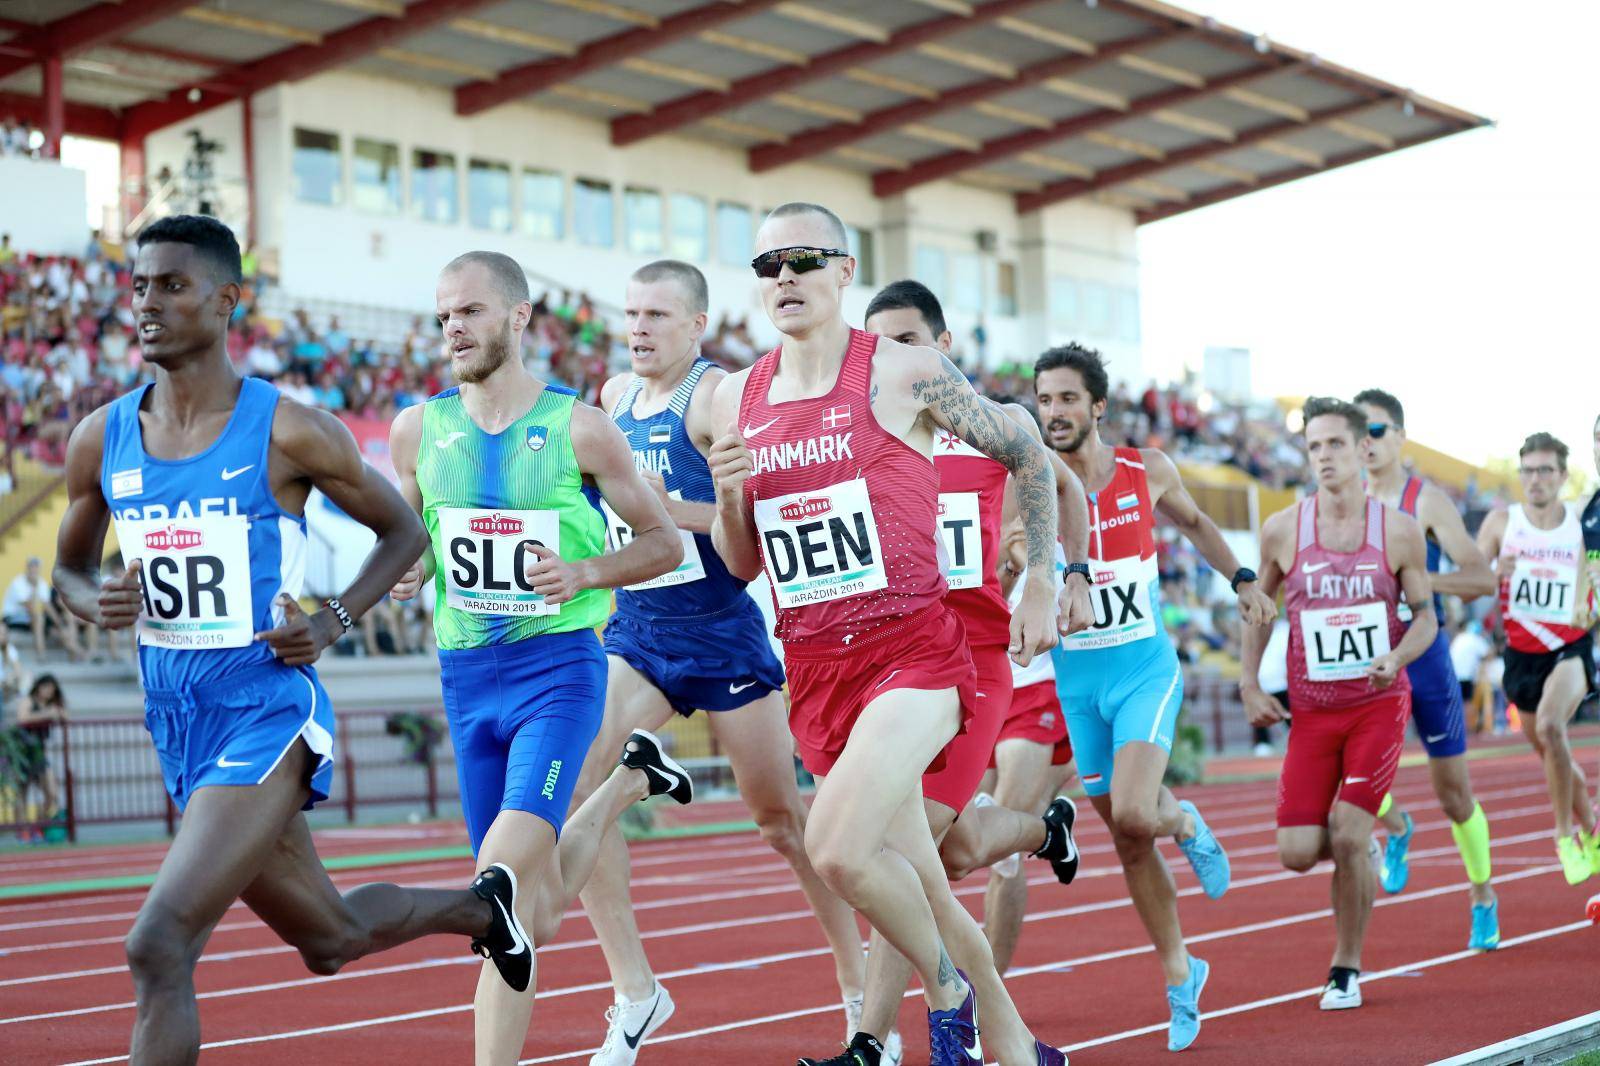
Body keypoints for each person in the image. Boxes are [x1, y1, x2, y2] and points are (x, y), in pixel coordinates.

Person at [51, 215, 537, 1065]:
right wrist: (102, 603)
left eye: (171, 285)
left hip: (264, 710)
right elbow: (69, 573)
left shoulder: (289, 429)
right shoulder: (102, 437)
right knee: (331, 937)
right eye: (137, 286)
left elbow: (403, 535)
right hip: (175, 715)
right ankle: (479, 911)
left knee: (158, 943)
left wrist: (331, 621)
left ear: (227, 300)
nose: (146, 305)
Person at [709, 202, 1069, 1065]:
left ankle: (946, 991)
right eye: (767, 266)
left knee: (833, 845)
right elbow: (742, 563)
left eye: (802, 260)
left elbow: (1025, 452)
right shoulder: (736, 396)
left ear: (843, 270)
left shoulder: (905, 373)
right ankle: (1017, 1048)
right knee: (929, 885)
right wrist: (729, 494)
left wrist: (1048, 576)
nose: (784, 278)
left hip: (915, 656)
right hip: (818, 670)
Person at [387, 250, 692, 1064]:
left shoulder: (579, 428)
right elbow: (409, 543)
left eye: (472, 311)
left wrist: (585, 572)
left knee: (502, 886)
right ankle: (627, 780)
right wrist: (407, 570)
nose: (454, 327)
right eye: (444, 313)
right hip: (464, 680)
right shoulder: (418, 430)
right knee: (535, 912)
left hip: (556, 673)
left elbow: (663, 541)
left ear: (519, 318)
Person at [579, 259, 866, 1065]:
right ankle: (635, 992)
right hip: (638, 630)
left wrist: (671, 513)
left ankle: (855, 977)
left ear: (696, 325)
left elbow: (764, 520)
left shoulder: (716, 398)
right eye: (631, 314)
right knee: (579, 785)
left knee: (782, 820)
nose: (638, 329)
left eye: (657, 317)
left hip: (721, 631)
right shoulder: (608, 399)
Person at [1034, 343, 1271, 1048]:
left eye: (1068, 399)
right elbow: (1011, 549)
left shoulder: (1147, 470)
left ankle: (1187, 821)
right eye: (1044, 401)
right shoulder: (1033, 483)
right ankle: (1181, 974)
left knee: (1141, 811)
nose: (1054, 413)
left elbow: (1197, 526)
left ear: (1098, 405)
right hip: (1077, 681)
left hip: (1143, 669)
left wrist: (1243, 578)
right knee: (1129, 841)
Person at [1241, 396, 1438, 1011]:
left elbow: (1428, 616)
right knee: (1297, 853)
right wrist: (1250, 682)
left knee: (1347, 833)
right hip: (1311, 712)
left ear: (1362, 449)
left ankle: (1345, 969)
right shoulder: (1283, 529)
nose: (1323, 456)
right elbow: (1258, 612)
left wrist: (1399, 658)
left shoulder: (1397, 531)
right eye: (1314, 446)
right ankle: (1365, 848)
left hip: (1377, 706)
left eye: (1334, 444)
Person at [1353, 388, 1499, 948]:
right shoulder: (1340, 501)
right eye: (1359, 432)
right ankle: (1396, 826)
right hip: (1364, 652)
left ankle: (1483, 893)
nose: (1368, 442)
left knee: (1454, 794)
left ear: (1401, 437)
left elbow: (1482, 578)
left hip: (1426, 651)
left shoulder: (1426, 501)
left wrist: (1421, 583)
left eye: (1378, 430)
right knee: (1351, 775)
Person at [1476, 431, 1599, 883]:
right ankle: (1593, 829)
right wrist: (1493, 571)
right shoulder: (1500, 524)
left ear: (1563, 475)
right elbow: (1471, 582)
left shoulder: (1583, 522)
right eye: (1527, 470)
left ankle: (1564, 837)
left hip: (1570, 646)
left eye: (1545, 470)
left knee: (1551, 726)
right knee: (1553, 755)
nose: (1536, 479)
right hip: (1521, 655)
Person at [4, 556, 84, 660]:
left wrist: (59, 624)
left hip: (31, 618)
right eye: (32, 567)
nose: (34, 570)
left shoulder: (41, 583)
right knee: (39, 618)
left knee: (56, 628)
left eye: (36, 567)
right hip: (12, 617)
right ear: (27, 568)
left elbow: (47, 606)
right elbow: (30, 607)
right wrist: (34, 588)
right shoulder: (18, 582)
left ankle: (77, 652)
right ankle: (42, 655)